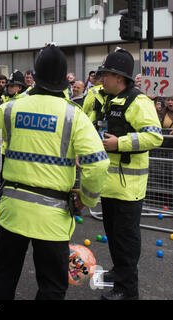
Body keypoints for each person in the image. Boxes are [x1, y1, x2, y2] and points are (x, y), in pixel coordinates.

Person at [0, 44, 110, 300]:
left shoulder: (12, 108)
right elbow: (98, 164)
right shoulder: (75, 116)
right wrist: (87, 198)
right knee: (51, 286)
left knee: (3, 279)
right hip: (53, 219)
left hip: (13, 214)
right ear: (64, 80)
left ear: (35, 77)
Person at [90, 48, 163, 300]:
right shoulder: (108, 100)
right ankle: (118, 273)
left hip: (128, 189)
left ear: (119, 77)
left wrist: (119, 143)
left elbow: (155, 136)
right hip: (109, 186)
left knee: (126, 241)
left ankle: (127, 290)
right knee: (114, 236)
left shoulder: (139, 102)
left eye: (105, 75)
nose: (101, 79)